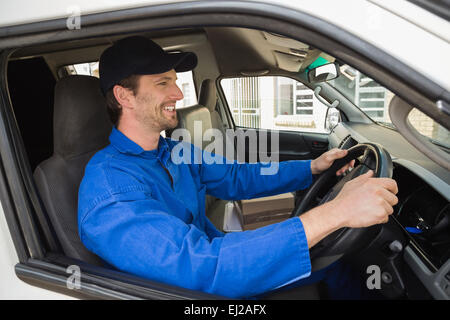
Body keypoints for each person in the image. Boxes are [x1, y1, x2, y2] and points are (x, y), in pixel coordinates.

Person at [78, 36, 398, 299]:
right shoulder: (110, 189)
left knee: (334, 263)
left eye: (175, 82)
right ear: (125, 96)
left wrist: (312, 168)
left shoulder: (172, 151)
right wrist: (336, 213)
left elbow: (236, 177)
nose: (177, 93)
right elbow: (204, 268)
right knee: (334, 263)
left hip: (222, 271)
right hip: (202, 295)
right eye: (163, 83)